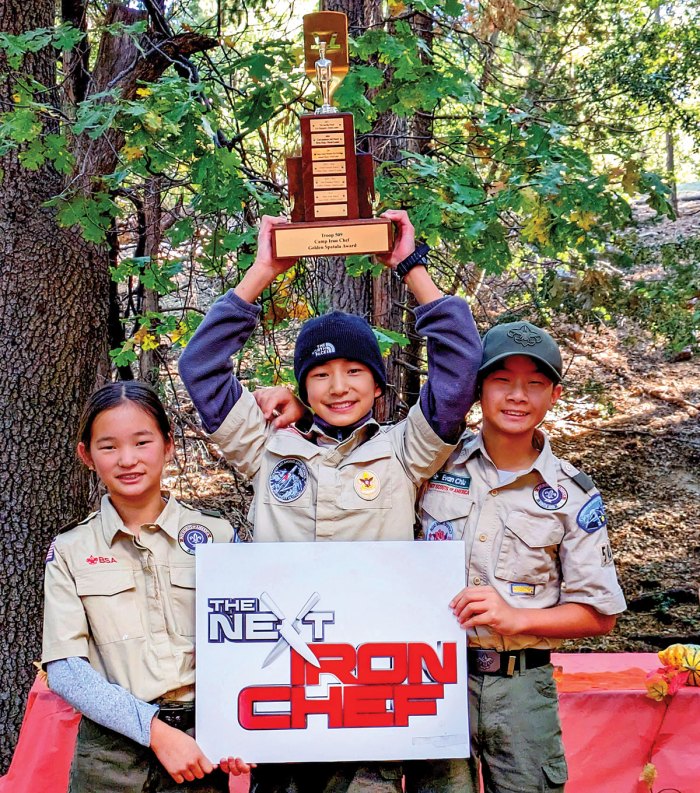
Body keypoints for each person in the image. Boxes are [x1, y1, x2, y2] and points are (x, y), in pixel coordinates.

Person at [178, 210, 482, 792]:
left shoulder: (407, 450)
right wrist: (264, 270)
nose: (338, 387)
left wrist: (410, 267)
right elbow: (201, 366)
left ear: (378, 382)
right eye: (320, 374)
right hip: (283, 692)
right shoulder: (264, 446)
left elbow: (460, 364)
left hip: (372, 690)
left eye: (353, 371)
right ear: (301, 386)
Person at [404, 321, 627, 793]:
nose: (517, 396)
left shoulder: (571, 494)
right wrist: (295, 403)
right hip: (434, 681)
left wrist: (516, 617)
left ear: (555, 394)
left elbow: (598, 614)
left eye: (535, 383)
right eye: (502, 380)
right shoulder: (430, 465)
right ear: (479, 388)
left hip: (523, 688)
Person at [41, 382, 251, 792]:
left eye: (142, 442)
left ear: (169, 444)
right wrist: (154, 731)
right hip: (109, 757)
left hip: (199, 749)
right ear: (86, 455)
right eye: (108, 447)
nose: (128, 460)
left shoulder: (217, 537)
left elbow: (247, 649)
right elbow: (66, 670)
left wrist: (238, 727)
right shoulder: (70, 550)